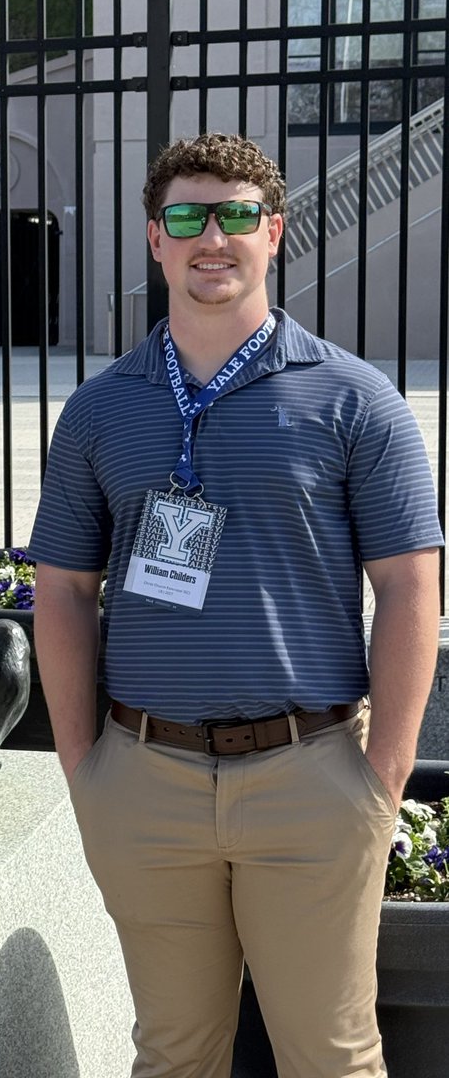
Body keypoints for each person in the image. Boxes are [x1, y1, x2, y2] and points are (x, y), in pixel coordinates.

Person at [29, 133, 443, 1078]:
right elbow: (60, 589)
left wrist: (381, 778)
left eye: (235, 216)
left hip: (312, 781)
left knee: (330, 1057)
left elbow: (411, 587)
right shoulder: (100, 409)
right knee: (172, 1054)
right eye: (186, 216)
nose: (211, 237)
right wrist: (84, 764)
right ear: (155, 241)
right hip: (144, 779)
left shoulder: (354, 400)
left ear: (275, 232)